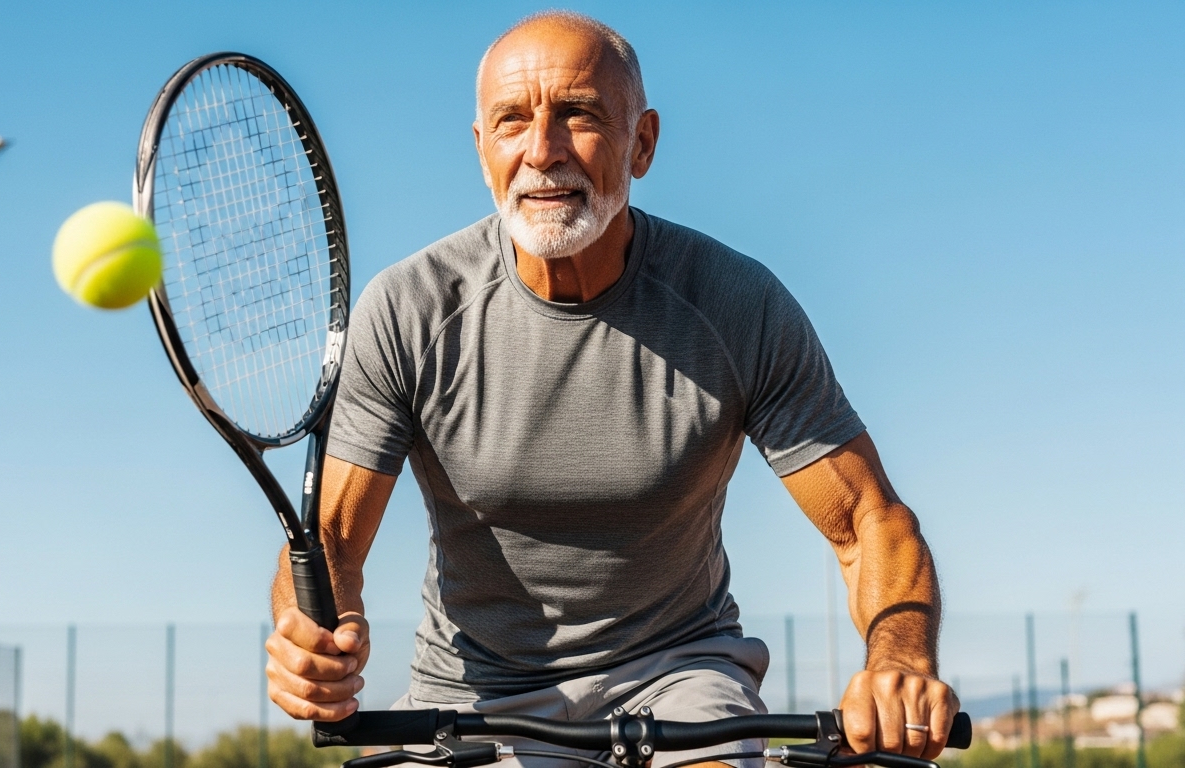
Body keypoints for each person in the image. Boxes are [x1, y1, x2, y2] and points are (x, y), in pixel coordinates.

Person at [265, 11, 959, 767]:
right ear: (481, 150)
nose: (542, 151)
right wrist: (312, 638)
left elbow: (866, 521)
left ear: (644, 143)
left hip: (682, 675)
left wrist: (900, 663)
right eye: (511, 123)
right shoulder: (410, 308)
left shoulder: (737, 304)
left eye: (580, 115)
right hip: (473, 692)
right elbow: (330, 538)